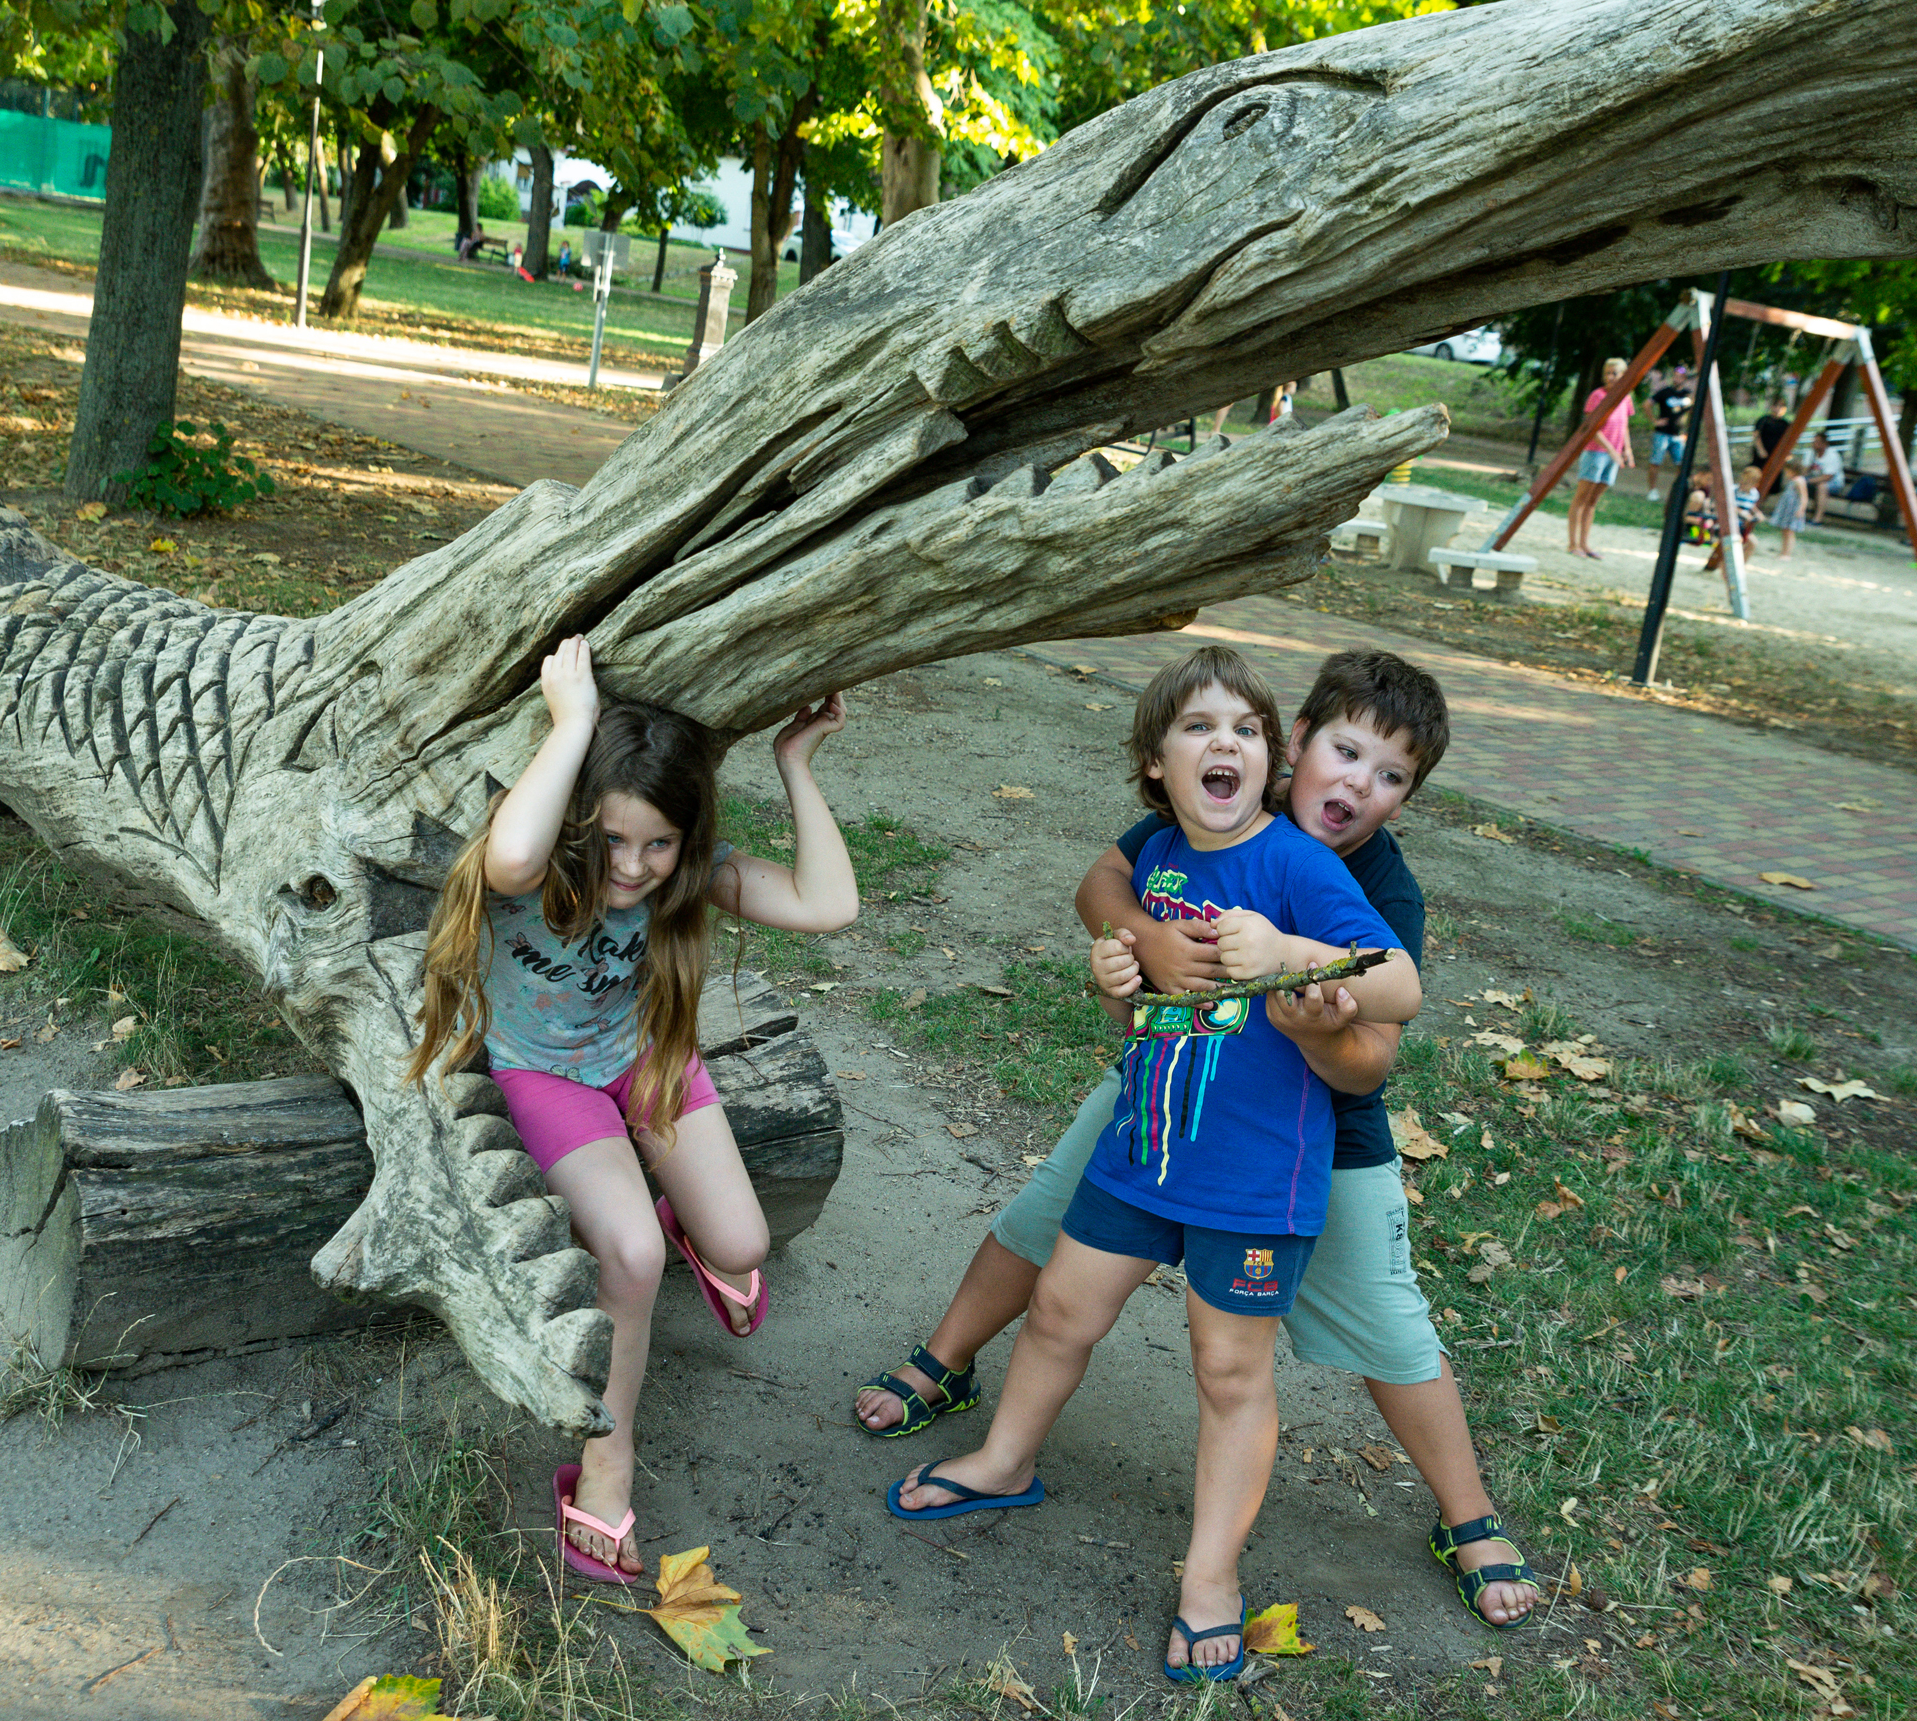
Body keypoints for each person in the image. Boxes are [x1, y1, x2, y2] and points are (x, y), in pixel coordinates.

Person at [853, 651, 1541, 1633]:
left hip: (1313, 1135)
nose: (1356, 783)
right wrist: (1139, 939)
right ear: (1295, 744)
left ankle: (1467, 1515)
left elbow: (1369, 1057)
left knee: (1384, 1329)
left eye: (1389, 777)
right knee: (1044, 1229)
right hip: (1164, 1099)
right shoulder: (1192, 816)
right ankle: (949, 1366)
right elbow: (1104, 876)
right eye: (1342, 752)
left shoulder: (1367, 883)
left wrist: (1307, 1007)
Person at [408, 636, 859, 1585]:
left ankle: (677, 1216)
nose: (636, 867)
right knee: (633, 1259)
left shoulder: (684, 875)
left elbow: (829, 905)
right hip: (546, 1078)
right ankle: (604, 1469)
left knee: (739, 1247)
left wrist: (795, 763)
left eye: (659, 844)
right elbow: (519, 847)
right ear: (583, 821)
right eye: (615, 839)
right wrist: (574, 719)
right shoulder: (534, 872)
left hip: (645, 1059)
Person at [1566, 359, 1635, 560]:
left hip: (1612, 455)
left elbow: (1625, 425)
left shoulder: (1626, 398)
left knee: (1593, 501)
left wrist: (1626, 448)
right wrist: (1611, 450)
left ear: (1624, 375)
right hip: (1596, 453)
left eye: (1615, 373)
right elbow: (1592, 428)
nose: (1610, 377)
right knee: (1581, 498)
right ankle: (1573, 544)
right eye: (1607, 373)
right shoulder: (1597, 396)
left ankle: (1585, 544)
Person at [1645, 369, 1693, 496]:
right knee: (1656, 462)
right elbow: (1647, 404)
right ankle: (1652, 490)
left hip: (1678, 435)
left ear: (1684, 379)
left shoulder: (1687, 395)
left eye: (1680, 377)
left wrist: (1688, 430)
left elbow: (1692, 413)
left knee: (1681, 464)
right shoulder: (1665, 392)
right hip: (1662, 434)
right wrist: (1654, 421)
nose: (1677, 379)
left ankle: (1676, 491)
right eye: (1675, 376)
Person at [1805, 431, 1847, 524]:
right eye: (1814, 441)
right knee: (1797, 483)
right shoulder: (1810, 453)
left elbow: (1828, 477)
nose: (1814, 444)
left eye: (1817, 442)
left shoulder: (1832, 455)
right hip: (1814, 480)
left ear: (1825, 444)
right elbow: (1804, 470)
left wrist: (1809, 481)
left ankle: (1818, 518)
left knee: (1822, 486)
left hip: (1834, 483)